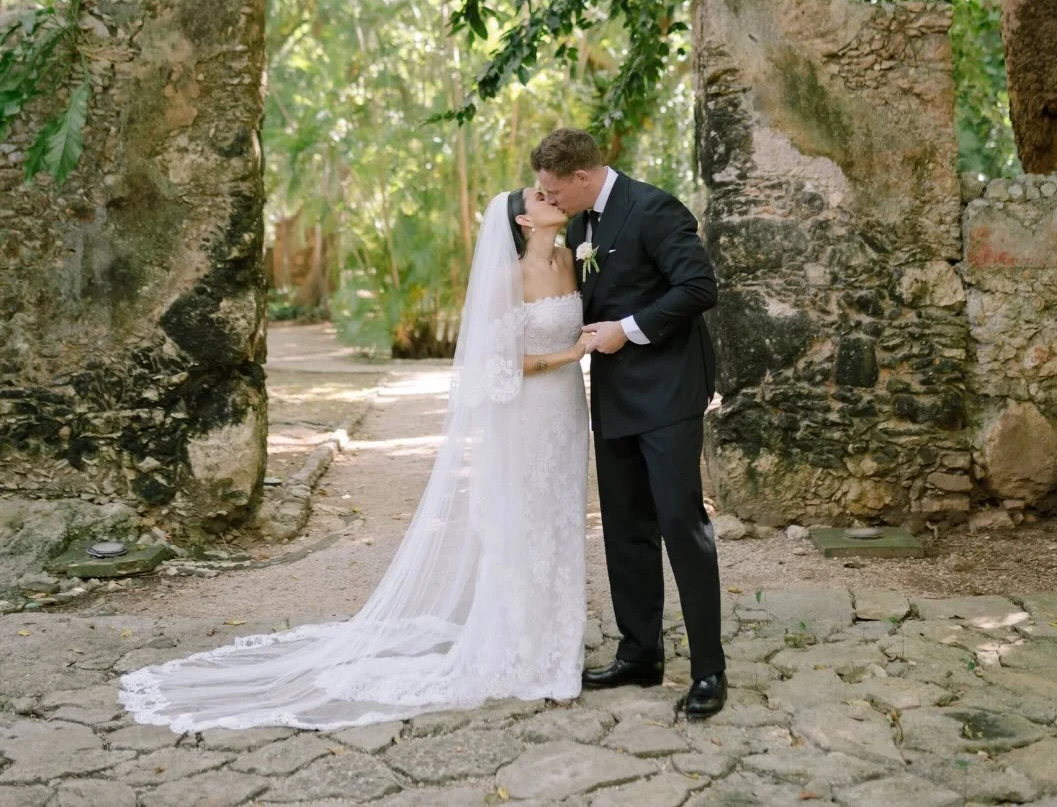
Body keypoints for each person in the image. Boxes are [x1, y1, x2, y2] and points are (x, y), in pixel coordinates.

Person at [117, 188, 589, 732]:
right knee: (524, 528)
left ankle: (560, 645)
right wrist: (570, 353)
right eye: (539, 195)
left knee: (561, 522)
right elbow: (498, 362)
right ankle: (524, 651)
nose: (552, 195)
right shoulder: (508, 279)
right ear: (524, 220)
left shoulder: (570, 259)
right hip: (528, 417)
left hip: (567, 412)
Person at [531, 127, 726, 721]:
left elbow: (699, 287)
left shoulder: (654, 208)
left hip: (668, 391)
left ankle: (709, 669)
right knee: (624, 526)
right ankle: (640, 654)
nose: (548, 199)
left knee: (681, 525)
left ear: (582, 176)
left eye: (553, 190)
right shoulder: (581, 227)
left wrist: (628, 329)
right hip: (614, 395)